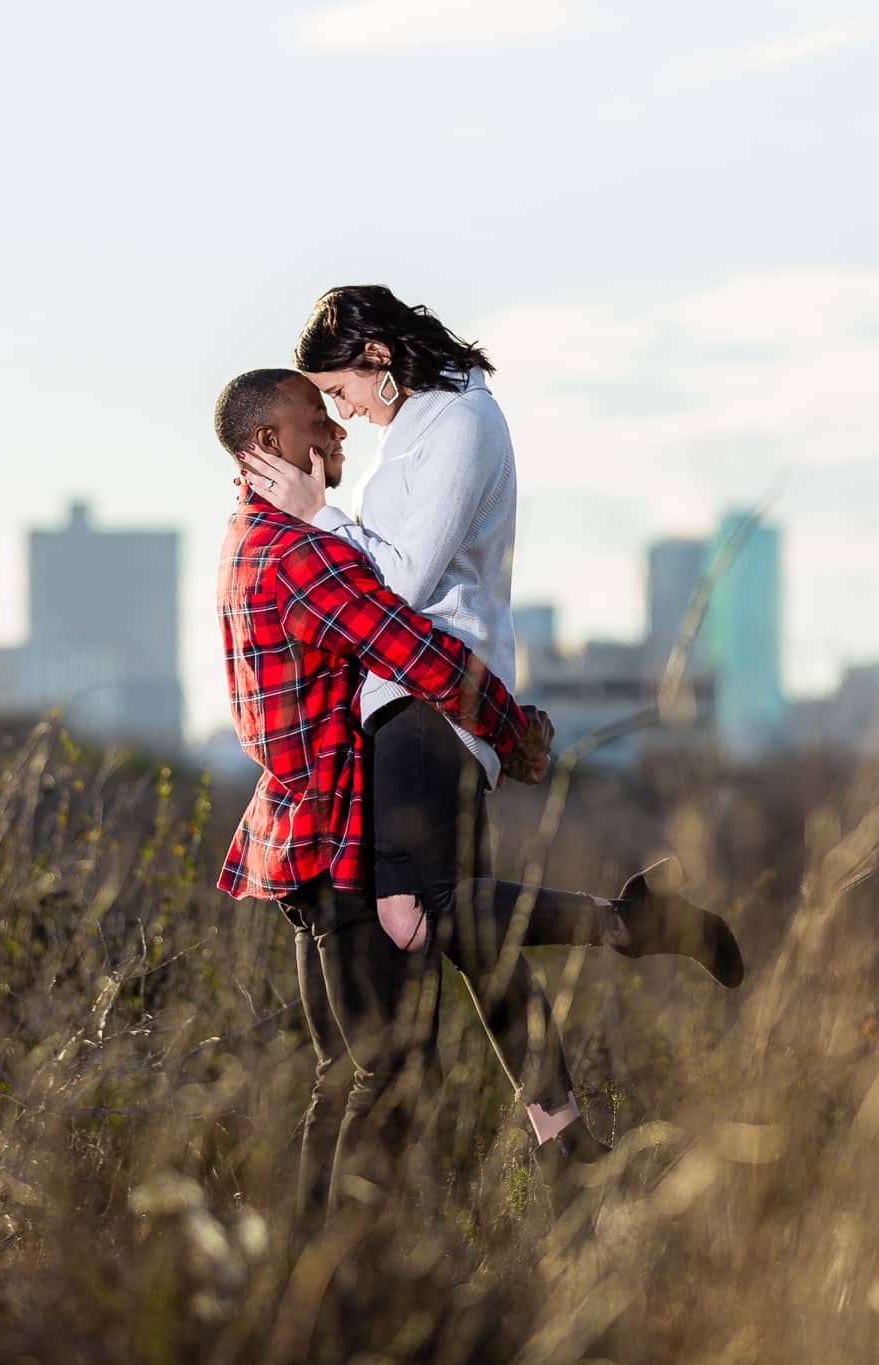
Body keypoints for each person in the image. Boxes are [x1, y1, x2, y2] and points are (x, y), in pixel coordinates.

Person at [235, 288, 743, 1178]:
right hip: (410, 701)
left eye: (340, 390)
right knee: (471, 931)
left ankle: (622, 927)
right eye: (325, 403)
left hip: (429, 702)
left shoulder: (459, 424)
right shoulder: (421, 429)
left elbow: (396, 580)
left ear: (380, 358)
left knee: (422, 915)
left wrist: (323, 522)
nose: (343, 415)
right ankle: (570, 1144)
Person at [213, 367, 551, 1228]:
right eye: (316, 421)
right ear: (268, 447)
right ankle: (351, 1276)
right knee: (392, 1069)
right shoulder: (300, 556)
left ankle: (311, 1275)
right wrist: (514, 730)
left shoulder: (245, 539)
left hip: (295, 843)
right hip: (339, 842)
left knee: (350, 1071)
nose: (336, 432)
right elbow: (415, 649)